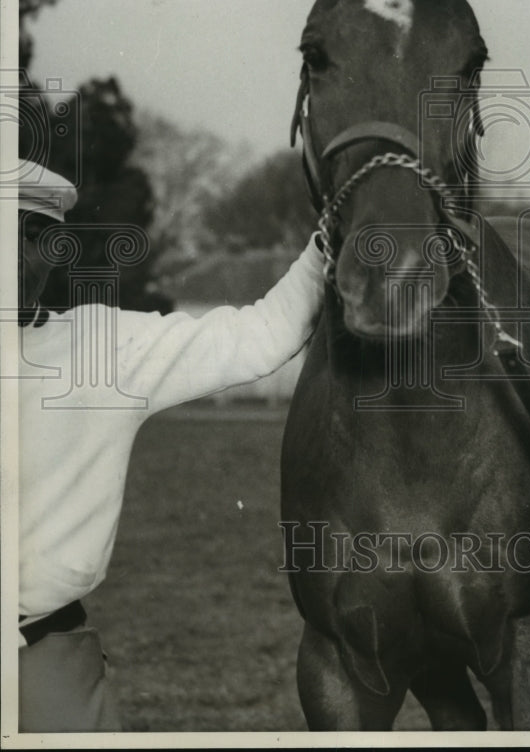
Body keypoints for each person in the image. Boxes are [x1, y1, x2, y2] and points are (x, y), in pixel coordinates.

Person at [15, 157, 325, 732]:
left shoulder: (102, 350)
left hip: (45, 659)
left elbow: (257, 337)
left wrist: (332, 233)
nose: (17, 256)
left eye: (34, 236)